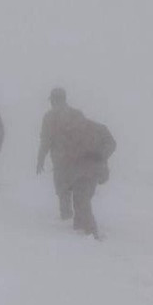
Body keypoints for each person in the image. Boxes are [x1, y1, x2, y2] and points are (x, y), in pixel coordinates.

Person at [36, 87, 116, 237]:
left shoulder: (49, 117)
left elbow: (46, 140)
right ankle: (78, 226)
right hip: (83, 161)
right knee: (81, 194)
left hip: (65, 162)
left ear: (53, 100)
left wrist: (41, 157)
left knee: (66, 192)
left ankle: (77, 226)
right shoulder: (77, 114)